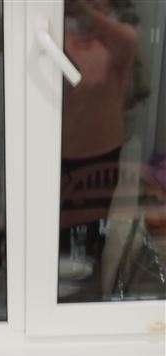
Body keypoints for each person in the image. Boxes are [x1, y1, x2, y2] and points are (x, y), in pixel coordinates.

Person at [60, 0, 138, 265]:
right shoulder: (61, 39)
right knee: (61, 231)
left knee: (94, 228)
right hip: (64, 152)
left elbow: (127, 41)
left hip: (103, 151)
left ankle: (92, 276)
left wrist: (87, 14)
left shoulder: (119, 40)